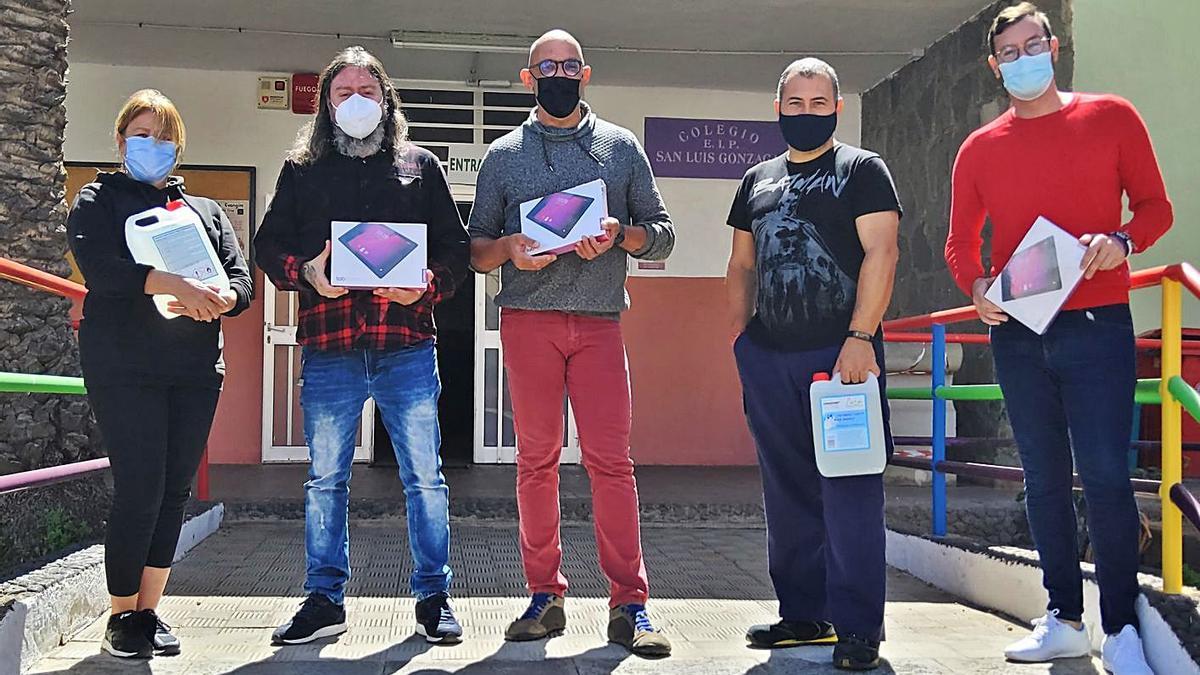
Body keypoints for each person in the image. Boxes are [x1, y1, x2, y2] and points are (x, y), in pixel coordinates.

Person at [944, 4, 1172, 674]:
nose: (1023, 59)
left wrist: (1123, 240)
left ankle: (1122, 626)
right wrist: (977, 286)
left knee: (1104, 474)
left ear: (1055, 45)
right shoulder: (980, 148)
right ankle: (1064, 617)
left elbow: (1156, 206)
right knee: (1042, 479)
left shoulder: (1111, 117)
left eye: (1032, 44)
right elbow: (961, 243)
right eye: (1008, 52)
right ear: (994, 66)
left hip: (1099, 321)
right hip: (1018, 330)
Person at [468, 29, 674, 658]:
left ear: (585, 74)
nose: (558, 74)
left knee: (612, 463)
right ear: (527, 79)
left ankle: (630, 603)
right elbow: (476, 250)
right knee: (536, 462)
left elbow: (661, 235)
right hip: (529, 322)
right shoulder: (502, 155)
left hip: (600, 323)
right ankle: (544, 595)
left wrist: (621, 236)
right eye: (545, 67)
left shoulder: (620, 147)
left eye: (569, 65)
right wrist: (510, 251)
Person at [254, 46, 469, 646]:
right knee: (325, 479)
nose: (355, 102)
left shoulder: (419, 167)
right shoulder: (301, 170)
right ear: (325, 104)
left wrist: (425, 286)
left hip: (405, 345)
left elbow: (454, 253)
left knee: (425, 478)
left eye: (366, 92)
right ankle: (324, 598)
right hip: (331, 348)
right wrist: (306, 274)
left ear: (387, 101)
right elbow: (268, 247)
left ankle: (433, 597)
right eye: (342, 93)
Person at [725, 58, 901, 671]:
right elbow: (742, 265)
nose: (806, 113)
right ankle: (803, 615)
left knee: (850, 492)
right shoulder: (756, 179)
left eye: (818, 102)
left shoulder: (861, 170)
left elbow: (882, 252)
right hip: (769, 359)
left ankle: (858, 629)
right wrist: (742, 340)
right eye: (794, 104)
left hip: (842, 360)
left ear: (837, 107)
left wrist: (861, 336)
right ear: (778, 108)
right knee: (787, 489)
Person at [67, 89, 253, 659]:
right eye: (143, 134)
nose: (155, 146)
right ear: (122, 141)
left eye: (166, 137)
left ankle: (149, 610)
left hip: (195, 369)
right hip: (125, 367)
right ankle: (120, 614)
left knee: (173, 492)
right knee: (139, 489)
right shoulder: (96, 201)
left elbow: (241, 281)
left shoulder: (205, 212)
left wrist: (223, 297)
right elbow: (100, 270)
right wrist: (170, 283)